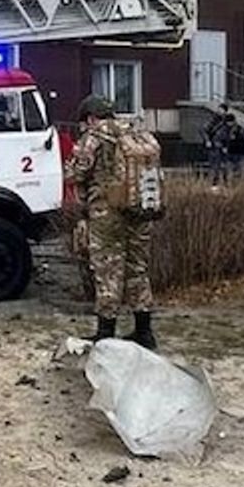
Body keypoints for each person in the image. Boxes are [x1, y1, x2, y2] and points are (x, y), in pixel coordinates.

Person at [67, 93, 163, 348]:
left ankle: (105, 331)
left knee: (108, 270)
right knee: (137, 268)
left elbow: (75, 172)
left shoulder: (94, 137)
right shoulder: (135, 132)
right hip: (140, 210)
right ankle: (144, 331)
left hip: (107, 215)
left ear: (90, 118)